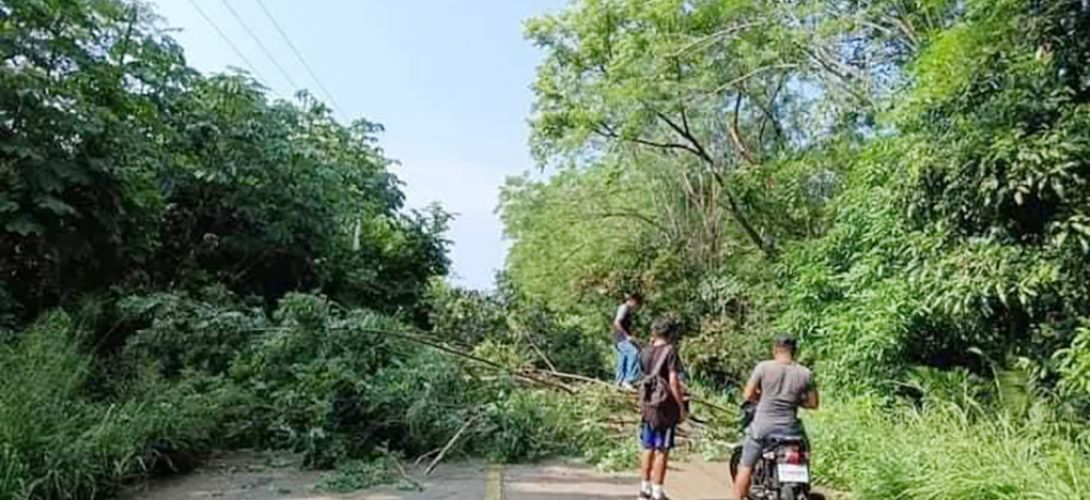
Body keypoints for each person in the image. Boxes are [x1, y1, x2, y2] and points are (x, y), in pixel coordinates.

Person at [733, 334, 820, 500]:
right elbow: (813, 403)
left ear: (775, 350)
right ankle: (804, 485)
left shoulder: (763, 368)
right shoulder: (805, 373)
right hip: (791, 430)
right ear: (794, 352)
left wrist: (764, 397)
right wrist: (794, 400)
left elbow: (748, 394)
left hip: (763, 428)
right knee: (805, 452)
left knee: (745, 466)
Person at [637, 317, 686, 500]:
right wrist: (681, 406)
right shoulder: (670, 351)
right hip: (664, 406)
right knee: (662, 449)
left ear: (653, 332)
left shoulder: (645, 351)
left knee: (647, 447)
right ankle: (657, 492)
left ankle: (644, 489)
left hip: (647, 403)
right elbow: (673, 381)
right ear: (671, 334)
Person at [612, 292, 643, 388]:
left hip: (619, 338)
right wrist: (627, 336)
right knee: (634, 353)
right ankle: (629, 379)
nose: (636, 308)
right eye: (637, 305)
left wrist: (632, 337)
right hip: (621, 338)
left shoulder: (626, 310)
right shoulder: (624, 308)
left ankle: (619, 382)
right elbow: (617, 322)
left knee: (623, 358)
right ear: (633, 301)